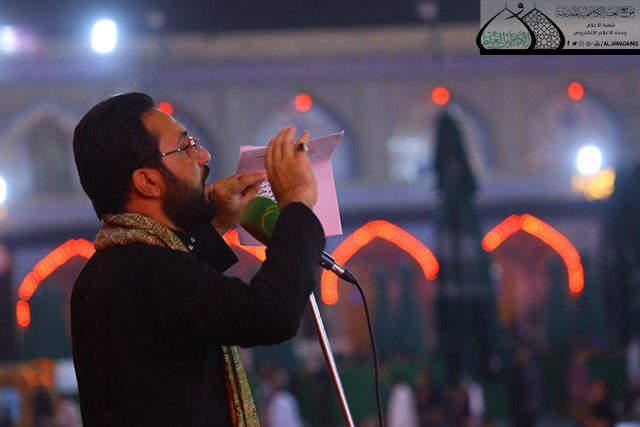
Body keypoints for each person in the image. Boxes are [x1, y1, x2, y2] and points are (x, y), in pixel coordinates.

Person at [70, 92, 324, 426]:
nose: (203, 156)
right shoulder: (152, 269)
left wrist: (217, 223)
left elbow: (182, 301)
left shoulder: (103, 271)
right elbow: (273, 312)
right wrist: (296, 203)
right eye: (186, 147)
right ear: (147, 182)